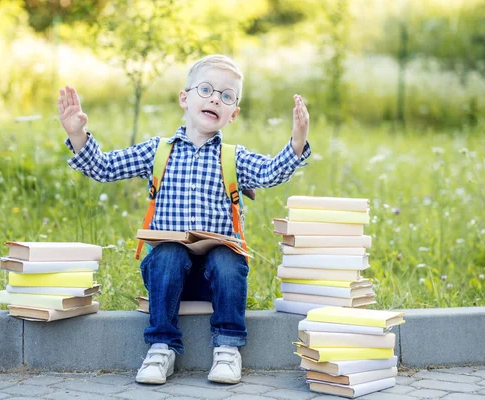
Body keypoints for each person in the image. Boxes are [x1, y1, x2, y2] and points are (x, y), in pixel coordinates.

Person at [58, 54, 310, 385]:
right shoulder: (158, 151)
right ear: (184, 98)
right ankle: (161, 346)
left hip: (217, 281)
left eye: (226, 96)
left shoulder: (232, 157)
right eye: (205, 89)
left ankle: (227, 347)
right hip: (168, 277)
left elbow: (269, 172)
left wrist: (297, 142)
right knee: (167, 251)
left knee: (227, 258)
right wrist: (78, 135)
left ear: (232, 114)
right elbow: (105, 167)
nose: (214, 99)